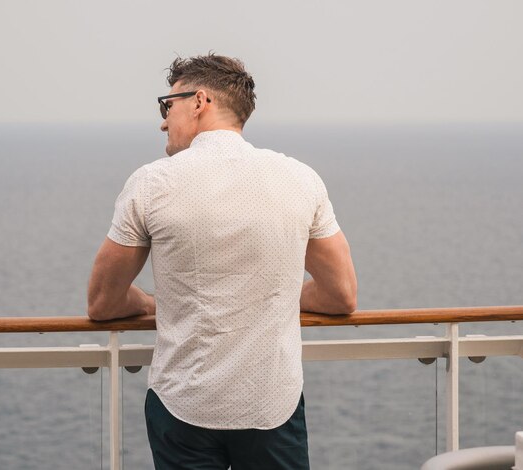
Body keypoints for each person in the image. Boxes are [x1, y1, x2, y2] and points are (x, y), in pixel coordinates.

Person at [87, 53, 357, 470]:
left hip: (183, 403)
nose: (163, 120)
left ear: (198, 101)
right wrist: (275, 294)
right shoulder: (300, 179)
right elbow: (341, 296)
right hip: (272, 404)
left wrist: (153, 303)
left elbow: (103, 302)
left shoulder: (152, 183)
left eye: (167, 104)